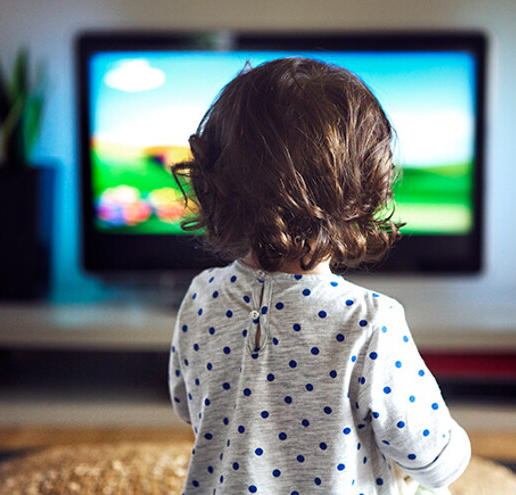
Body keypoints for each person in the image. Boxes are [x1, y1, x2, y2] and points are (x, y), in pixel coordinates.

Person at [169, 57, 470, 495]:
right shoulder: (368, 322)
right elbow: (433, 460)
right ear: (367, 186)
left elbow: (186, 405)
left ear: (213, 179)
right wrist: (456, 450)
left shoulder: (200, 296)